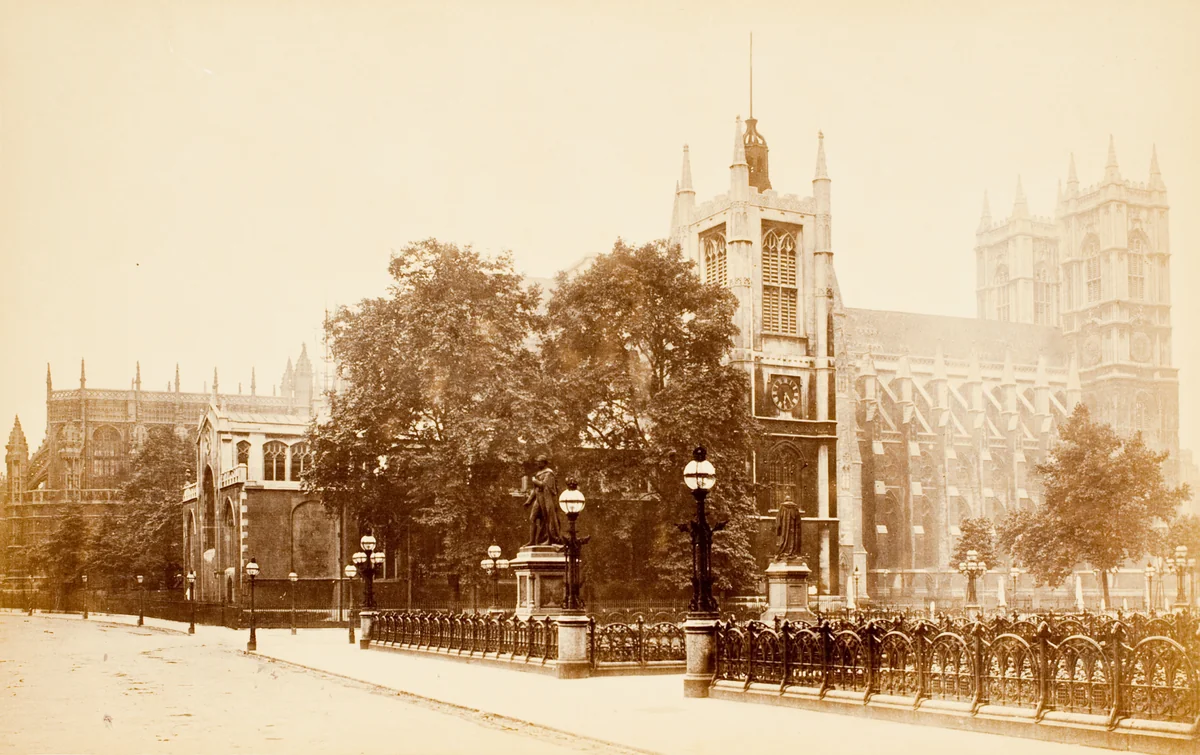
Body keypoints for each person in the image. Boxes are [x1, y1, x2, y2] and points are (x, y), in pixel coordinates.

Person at [523, 455, 564, 546]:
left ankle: (550, 539)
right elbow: (535, 489)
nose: (537, 463)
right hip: (538, 499)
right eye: (537, 462)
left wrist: (534, 481)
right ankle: (532, 540)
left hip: (546, 499)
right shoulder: (539, 473)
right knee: (532, 518)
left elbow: (545, 485)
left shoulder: (549, 473)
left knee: (548, 519)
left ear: (544, 463)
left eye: (539, 462)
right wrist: (529, 501)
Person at [775, 495, 802, 559]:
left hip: (784, 527)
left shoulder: (782, 507)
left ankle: (784, 551)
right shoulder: (795, 507)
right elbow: (798, 520)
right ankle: (791, 551)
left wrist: (778, 528)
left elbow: (778, 518)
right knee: (792, 538)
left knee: (784, 537)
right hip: (793, 528)